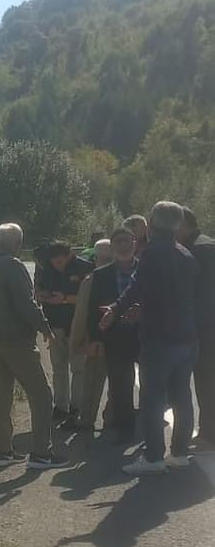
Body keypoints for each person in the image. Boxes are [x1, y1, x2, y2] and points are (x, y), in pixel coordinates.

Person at [100, 201, 197, 475]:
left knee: (153, 399)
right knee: (182, 396)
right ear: (177, 224)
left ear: (152, 223)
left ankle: (154, 456)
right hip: (187, 337)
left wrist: (115, 309)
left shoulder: (152, 253)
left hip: (159, 338)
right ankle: (179, 452)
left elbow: (136, 287)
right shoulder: (186, 255)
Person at [0, 223, 59, 469]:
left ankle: (3, 450)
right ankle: (42, 453)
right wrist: (45, 329)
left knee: (3, 395)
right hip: (17, 341)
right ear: (17, 243)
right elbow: (26, 304)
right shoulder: (14, 266)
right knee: (42, 395)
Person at [88, 227, 139, 442]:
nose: (123, 246)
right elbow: (92, 310)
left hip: (147, 335)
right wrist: (96, 339)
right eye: (118, 242)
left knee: (154, 385)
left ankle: (149, 428)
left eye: (127, 241)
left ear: (134, 243)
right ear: (112, 246)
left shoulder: (147, 270)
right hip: (116, 337)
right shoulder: (101, 275)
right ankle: (126, 430)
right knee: (121, 385)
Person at [35, 240, 92, 423]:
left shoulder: (85, 269)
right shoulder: (47, 269)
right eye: (53, 262)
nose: (56, 265)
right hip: (55, 325)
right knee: (59, 368)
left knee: (78, 369)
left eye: (60, 261)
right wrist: (43, 295)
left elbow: (90, 299)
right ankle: (61, 406)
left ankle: (77, 407)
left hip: (78, 325)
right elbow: (39, 289)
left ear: (70, 256)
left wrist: (65, 299)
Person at [178, 206, 215, 449]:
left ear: (184, 225)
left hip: (205, 327)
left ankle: (209, 436)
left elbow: (199, 293)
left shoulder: (200, 250)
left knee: (205, 381)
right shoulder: (205, 244)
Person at [70, 237, 112, 432]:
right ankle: (112, 417)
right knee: (119, 382)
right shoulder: (127, 275)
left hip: (96, 340)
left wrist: (78, 342)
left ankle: (87, 419)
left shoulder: (90, 280)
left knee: (92, 382)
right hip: (119, 341)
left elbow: (81, 315)